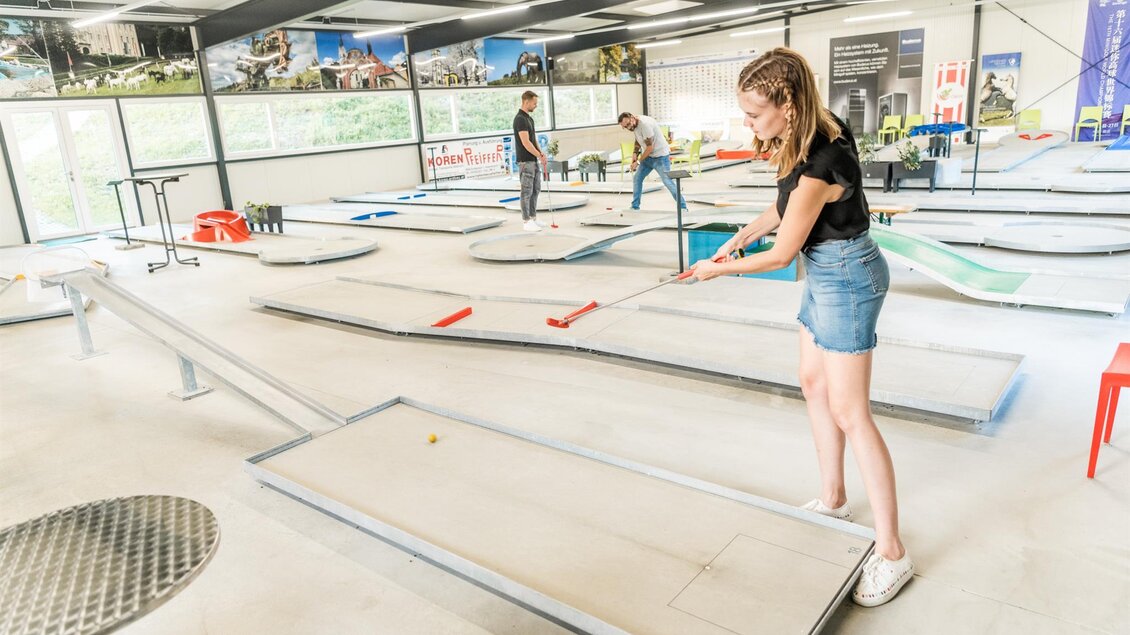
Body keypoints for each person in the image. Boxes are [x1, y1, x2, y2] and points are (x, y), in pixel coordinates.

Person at [689, 48, 913, 608]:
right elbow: (783, 208)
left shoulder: (821, 158)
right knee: (813, 383)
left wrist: (716, 270)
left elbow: (781, 253)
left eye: (754, 113)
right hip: (825, 269)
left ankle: (892, 552)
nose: (748, 123)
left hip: (847, 277)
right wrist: (739, 235)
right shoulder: (808, 130)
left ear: (786, 104)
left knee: (851, 412)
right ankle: (834, 497)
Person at [617, 112, 687, 212]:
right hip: (649, 157)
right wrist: (635, 153)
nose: (628, 127)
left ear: (632, 117)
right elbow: (638, 139)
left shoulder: (645, 124)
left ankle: (683, 207)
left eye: (628, 124)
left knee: (667, 181)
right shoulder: (633, 125)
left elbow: (650, 147)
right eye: (625, 127)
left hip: (660, 157)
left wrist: (638, 162)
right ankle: (635, 206)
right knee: (637, 178)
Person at [513, 91, 548, 232]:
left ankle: (533, 217)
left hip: (533, 160)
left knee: (535, 189)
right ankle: (526, 221)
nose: (536, 105)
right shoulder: (520, 119)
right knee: (526, 191)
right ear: (526, 102)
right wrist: (538, 155)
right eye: (534, 103)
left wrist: (541, 153)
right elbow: (526, 142)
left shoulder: (529, 119)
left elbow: (533, 139)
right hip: (525, 161)